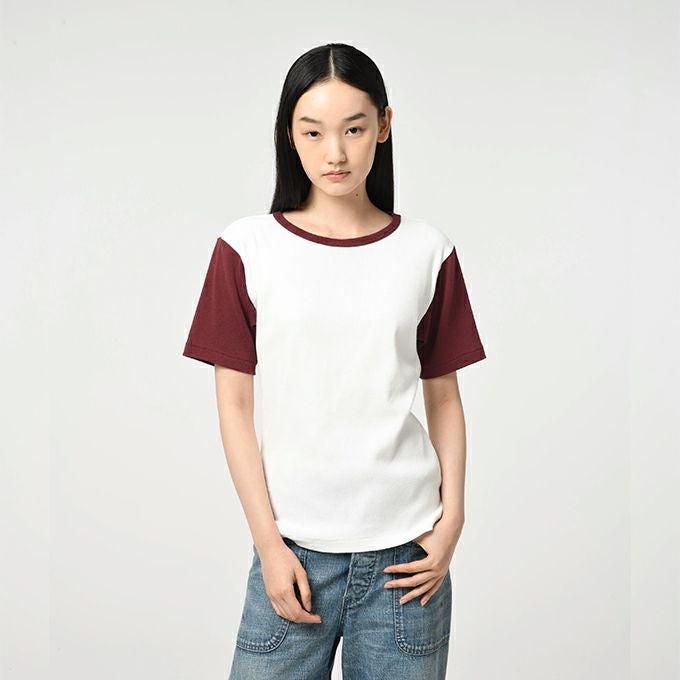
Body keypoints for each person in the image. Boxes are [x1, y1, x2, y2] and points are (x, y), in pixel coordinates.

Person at [182, 42, 487, 680]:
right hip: (294, 551)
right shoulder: (247, 248)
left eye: (354, 128)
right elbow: (234, 407)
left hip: (407, 558)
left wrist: (452, 518)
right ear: (288, 135)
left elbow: (444, 396)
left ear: (384, 124)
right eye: (313, 132)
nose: (336, 153)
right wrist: (268, 543)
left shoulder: (427, 251)